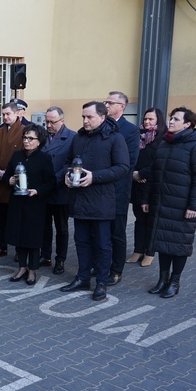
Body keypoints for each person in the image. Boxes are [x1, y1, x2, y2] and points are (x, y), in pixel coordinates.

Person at [59, 101, 129, 301]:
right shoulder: (79, 138)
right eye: (83, 117)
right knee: (81, 241)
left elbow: (123, 167)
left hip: (102, 201)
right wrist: (66, 174)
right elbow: (67, 161)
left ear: (102, 117)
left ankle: (101, 283)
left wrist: (94, 177)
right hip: (79, 199)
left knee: (102, 244)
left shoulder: (115, 138)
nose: (85, 120)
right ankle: (82, 278)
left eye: (89, 117)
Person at [142, 107, 196, 298]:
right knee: (163, 242)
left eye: (176, 119)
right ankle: (162, 279)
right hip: (161, 203)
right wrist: (146, 198)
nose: (170, 121)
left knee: (179, 245)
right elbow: (154, 173)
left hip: (182, 206)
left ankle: (174, 282)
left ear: (187, 124)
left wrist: (194, 206)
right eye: (171, 118)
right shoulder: (164, 143)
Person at [4, 124, 56, 285]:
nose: (26, 141)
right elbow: (7, 176)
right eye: (25, 137)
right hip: (18, 203)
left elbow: (51, 183)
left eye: (30, 138)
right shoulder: (16, 155)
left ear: (39, 141)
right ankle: (21, 267)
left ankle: (32, 270)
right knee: (19, 236)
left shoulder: (44, 158)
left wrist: (37, 191)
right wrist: (10, 180)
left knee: (32, 238)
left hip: (35, 204)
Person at [104, 91, 140, 286]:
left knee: (116, 232)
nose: (107, 105)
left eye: (111, 103)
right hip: (99, 190)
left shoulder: (130, 130)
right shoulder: (101, 126)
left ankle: (116, 270)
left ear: (122, 107)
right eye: (106, 102)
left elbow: (130, 162)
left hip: (118, 189)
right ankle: (100, 264)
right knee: (100, 231)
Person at [40, 106, 76, 275]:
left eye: (52, 122)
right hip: (44, 190)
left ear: (62, 121)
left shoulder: (72, 137)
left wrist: (56, 178)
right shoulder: (42, 136)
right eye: (46, 121)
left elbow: (70, 163)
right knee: (44, 226)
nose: (48, 125)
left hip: (61, 189)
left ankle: (60, 259)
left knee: (61, 227)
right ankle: (45, 255)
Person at [127, 107, 165, 267]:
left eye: (151, 119)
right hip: (137, 185)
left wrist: (141, 173)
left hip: (152, 187)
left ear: (159, 121)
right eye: (145, 119)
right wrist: (133, 174)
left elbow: (159, 164)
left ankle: (149, 252)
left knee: (151, 221)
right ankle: (138, 250)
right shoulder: (139, 137)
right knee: (139, 220)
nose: (147, 122)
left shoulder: (163, 140)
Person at [0, 102, 23, 260]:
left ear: (17, 114)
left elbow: (24, 156)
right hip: (0, 180)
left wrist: (8, 174)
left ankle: (18, 248)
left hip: (14, 180)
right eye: (3, 114)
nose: (5, 117)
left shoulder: (24, 131)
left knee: (16, 218)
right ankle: (2, 246)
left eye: (8, 114)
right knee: (1, 218)